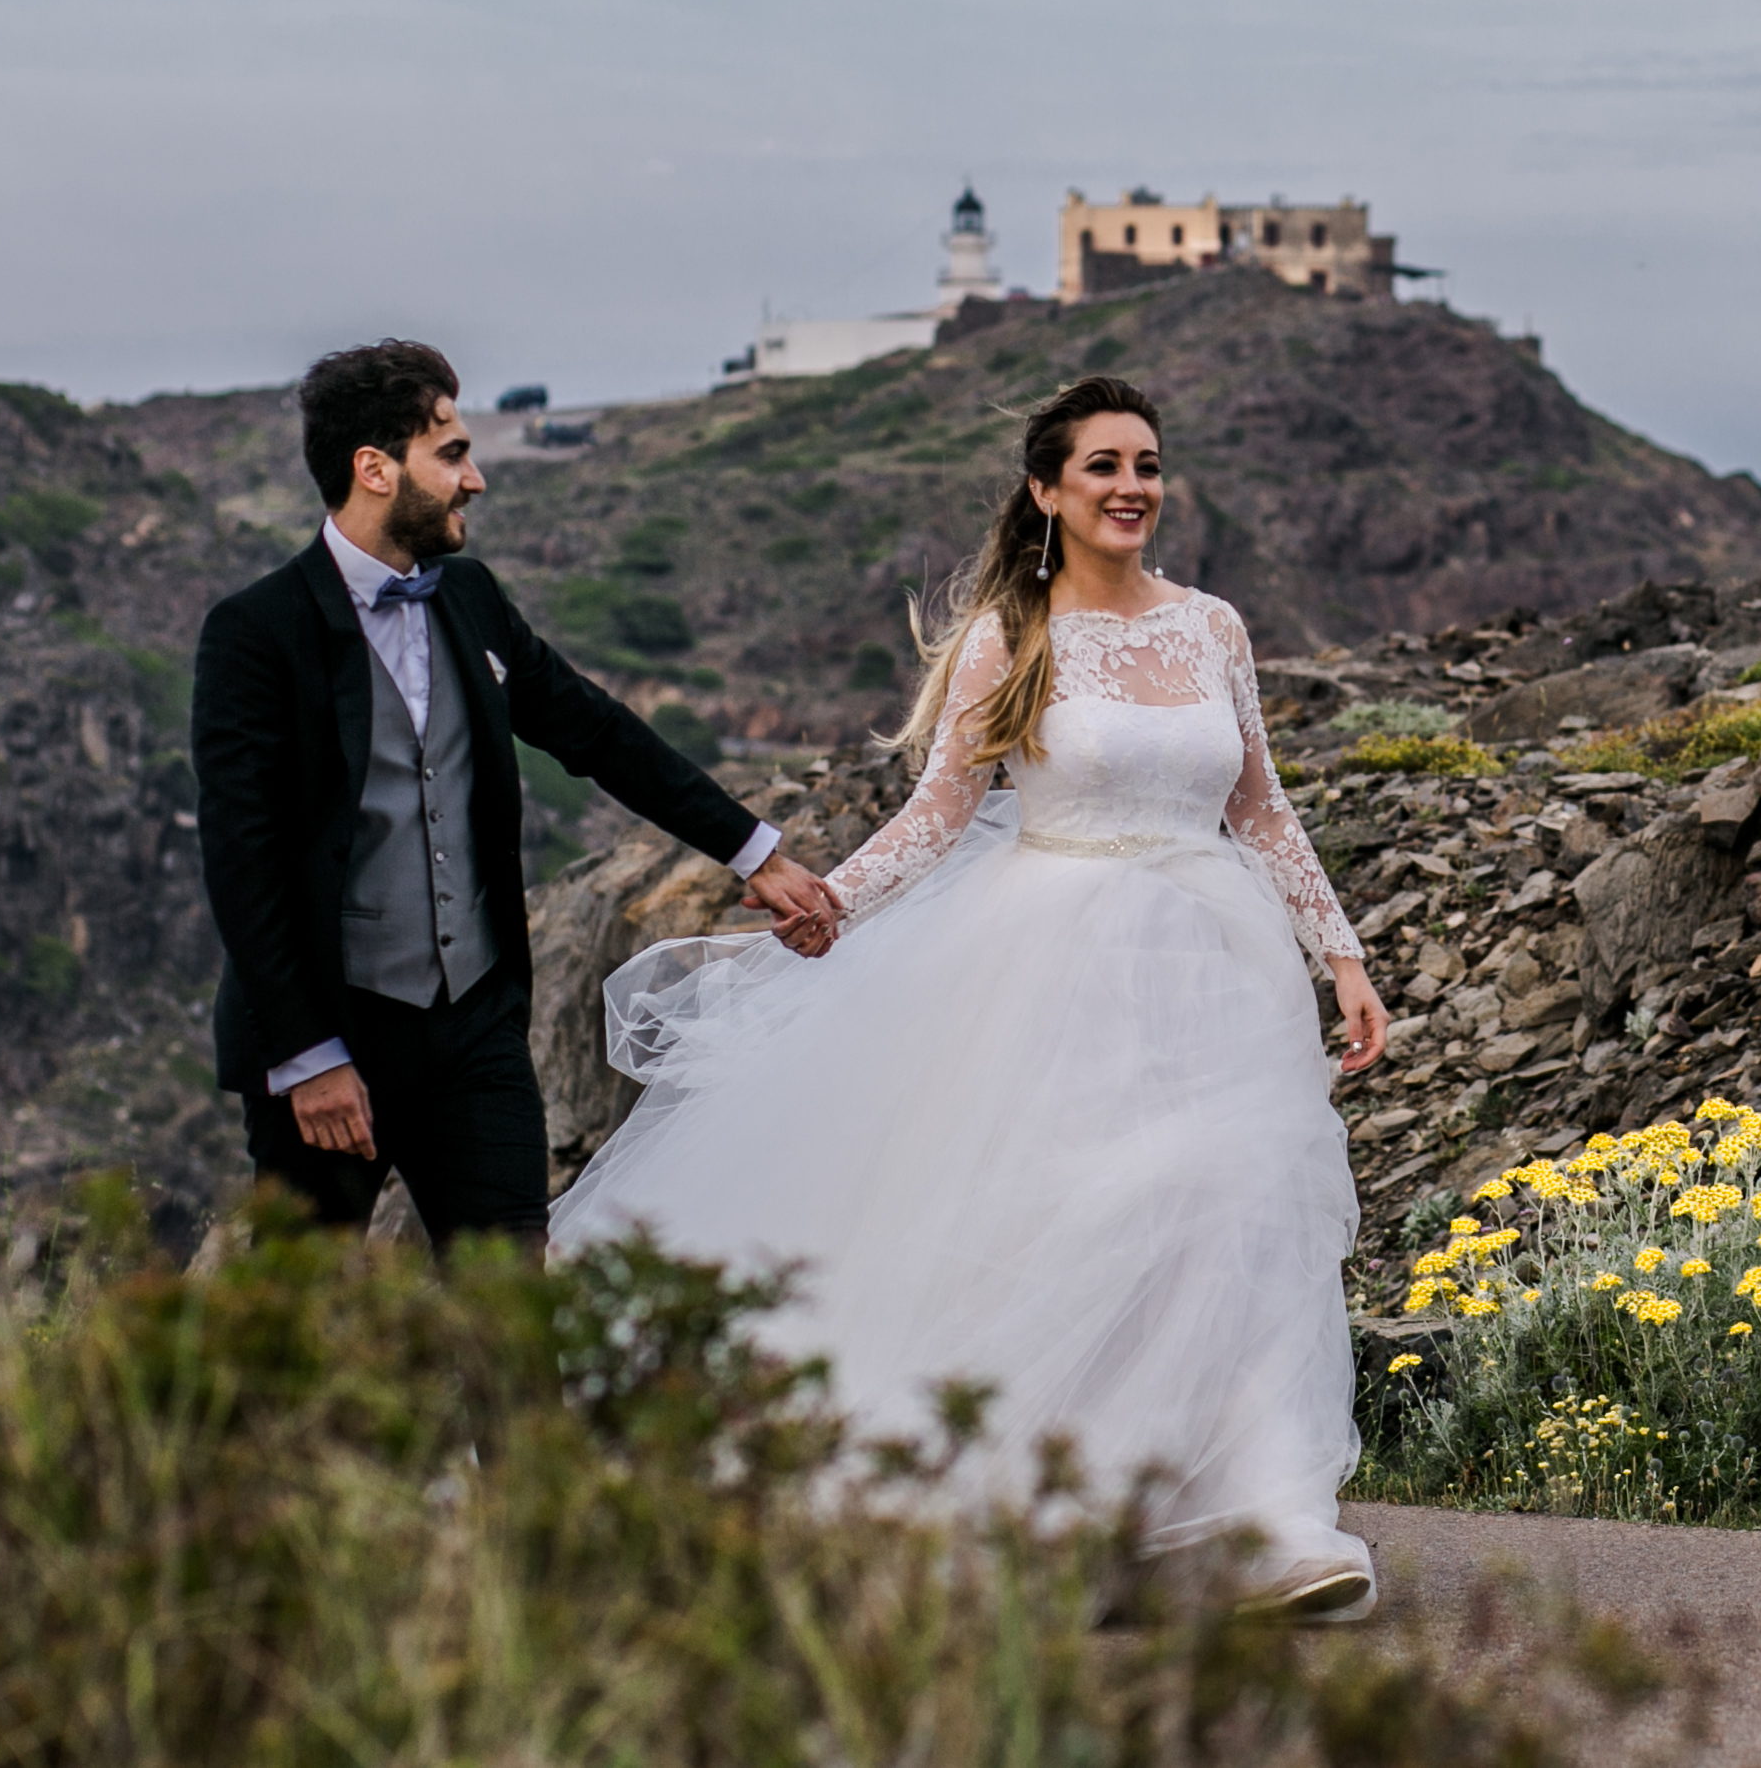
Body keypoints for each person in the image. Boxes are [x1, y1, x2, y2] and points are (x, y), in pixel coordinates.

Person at [551, 375, 1393, 1621]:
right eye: (1102, 466)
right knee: (1091, 1212)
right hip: (1055, 958)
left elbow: (1259, 804)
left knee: (1240, 1204)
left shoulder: (1214, 626)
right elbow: (939, 812)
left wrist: (1343, 956)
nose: (1131, 488)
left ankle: (1272, 1515)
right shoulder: (1015, 634)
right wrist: (825, 901)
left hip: (1218, 963)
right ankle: (1070, 1504)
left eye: (1147, 463)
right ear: (1048, 492)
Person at [192, 339, 845, 1246]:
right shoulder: (255, 632)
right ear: (373, 468)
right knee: (307, 1331)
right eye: (452, 454)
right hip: (332, 1040)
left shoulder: (472, 597)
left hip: (476, 1032)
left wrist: (755, 851)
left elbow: (599, 733)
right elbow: (241, 857)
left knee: (511, 1306)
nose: (477, 479)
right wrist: (308, 1057)